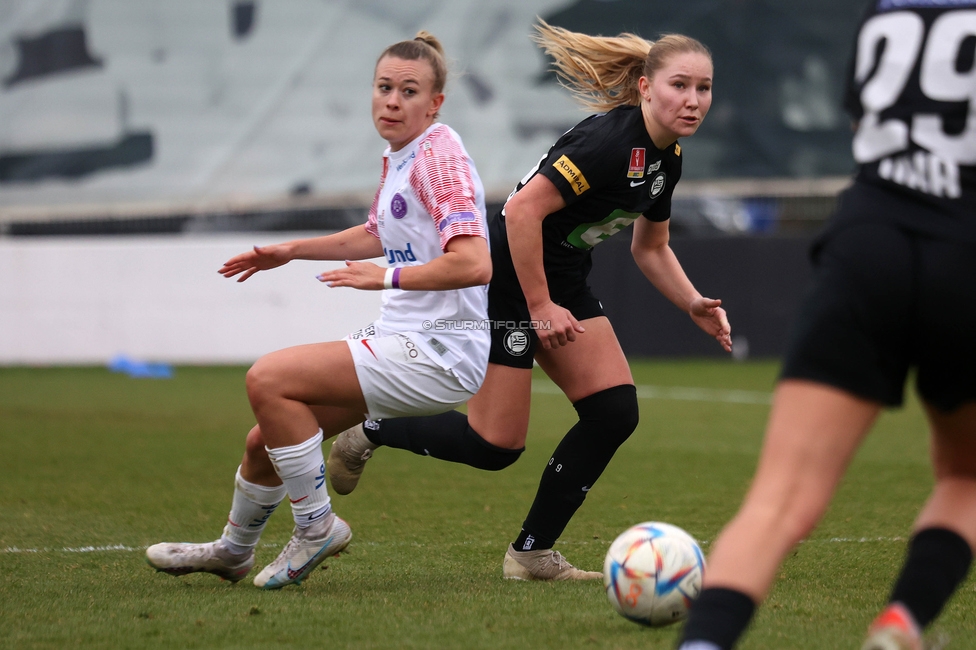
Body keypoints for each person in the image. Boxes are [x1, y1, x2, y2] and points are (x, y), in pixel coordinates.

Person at [327, 20, 732, 581]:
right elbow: (519, 212)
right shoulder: (609, 143)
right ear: (644, 87)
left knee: (614, 412)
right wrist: (539, 306)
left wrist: (691, 301)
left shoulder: (668, 159)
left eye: (703, 88)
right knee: (496, 445)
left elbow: (652, 245)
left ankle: (531, 554)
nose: (692, 100)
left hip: (559, 278)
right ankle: (373, 428)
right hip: (506, 279)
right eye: (679, 85)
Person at [144, 32, 493, 589]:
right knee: (269, 440)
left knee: (269, 379)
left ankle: (316, 527)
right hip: (408, 337)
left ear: (436, 104)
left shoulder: (439, 155)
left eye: (409, 90)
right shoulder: (403, 156)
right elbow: (376, 233)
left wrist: (385, 277)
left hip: (439, 348)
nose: (393, 101)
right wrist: (290, 250)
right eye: (384, 88)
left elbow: (474, 264)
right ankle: (233, 552)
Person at [676, 2, 976, 648]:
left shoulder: (888, 10)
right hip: (967, 254)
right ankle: (902, 622)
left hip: (867, 243)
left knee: (777, 500)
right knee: (968, 476)